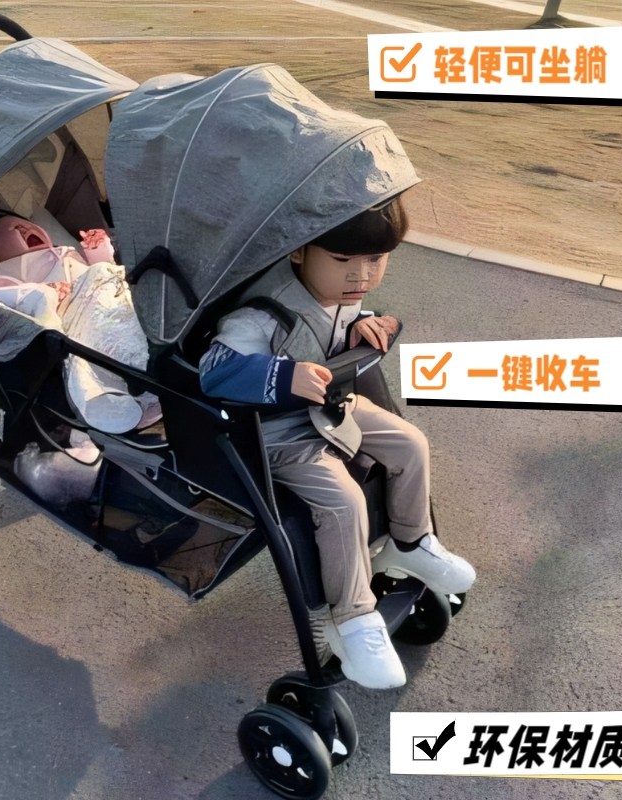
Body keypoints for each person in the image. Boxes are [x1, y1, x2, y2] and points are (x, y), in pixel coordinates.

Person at [198, 197, 475, 689]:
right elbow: (215, 372)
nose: (360, 275)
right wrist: (281, 376)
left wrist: (371, 325)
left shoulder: (340, 295)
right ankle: (353, 618)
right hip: (278, 434)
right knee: (344, 501)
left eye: (376, 260)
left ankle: (410, 542)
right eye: (344, 259)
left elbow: (351, 326)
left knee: (410, 443)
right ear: (299, 251)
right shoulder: (264, 313)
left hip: (332, 408)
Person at [0, 214, 161, 432]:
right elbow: (34, 308)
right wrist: (50, 296)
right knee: (113, 336)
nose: (24, 229)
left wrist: (100, 253)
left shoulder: (66, 255)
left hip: (111, 292)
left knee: (120, 292)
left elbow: (106, 275)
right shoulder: (9, 283)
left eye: (25, 225)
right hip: (82, 316)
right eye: (11, 231)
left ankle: (150, 362)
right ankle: (140, 370)